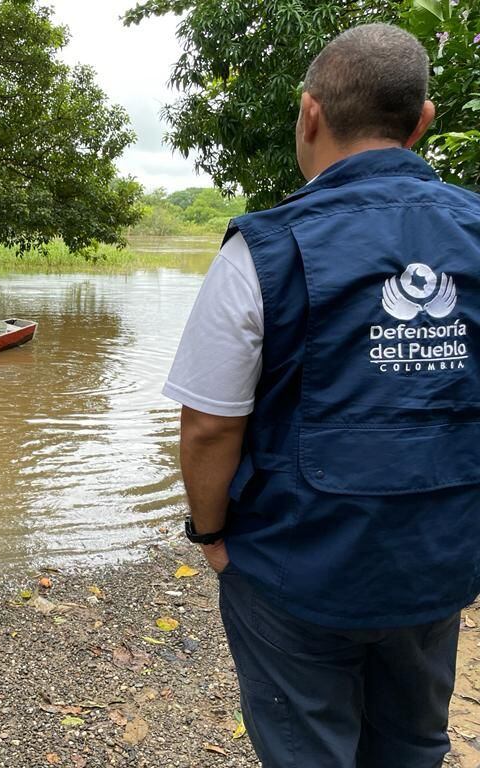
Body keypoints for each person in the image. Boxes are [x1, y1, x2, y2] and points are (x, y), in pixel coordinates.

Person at [164, 23, 480, 768]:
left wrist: (211, 540)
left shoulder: (262, 249)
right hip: (436, 564)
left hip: (292, 572)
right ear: (423, 122)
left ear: (309, 114)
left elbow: (209, 426)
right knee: (412, 743)